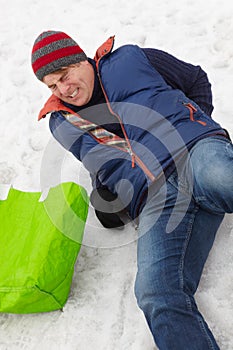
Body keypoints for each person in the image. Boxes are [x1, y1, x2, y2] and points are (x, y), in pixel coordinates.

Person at [31, 30, 233, 349]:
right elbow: (103, 163)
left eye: (64, 76)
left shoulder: (130, 59)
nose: (63, 89)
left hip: (194, 150)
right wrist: (110, 198)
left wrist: (195, 123)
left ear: (81, 60)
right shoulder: (62, 122)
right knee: (155, 292)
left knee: (225, 179)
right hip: (158, 197)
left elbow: (195, 79)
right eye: (52, 85)